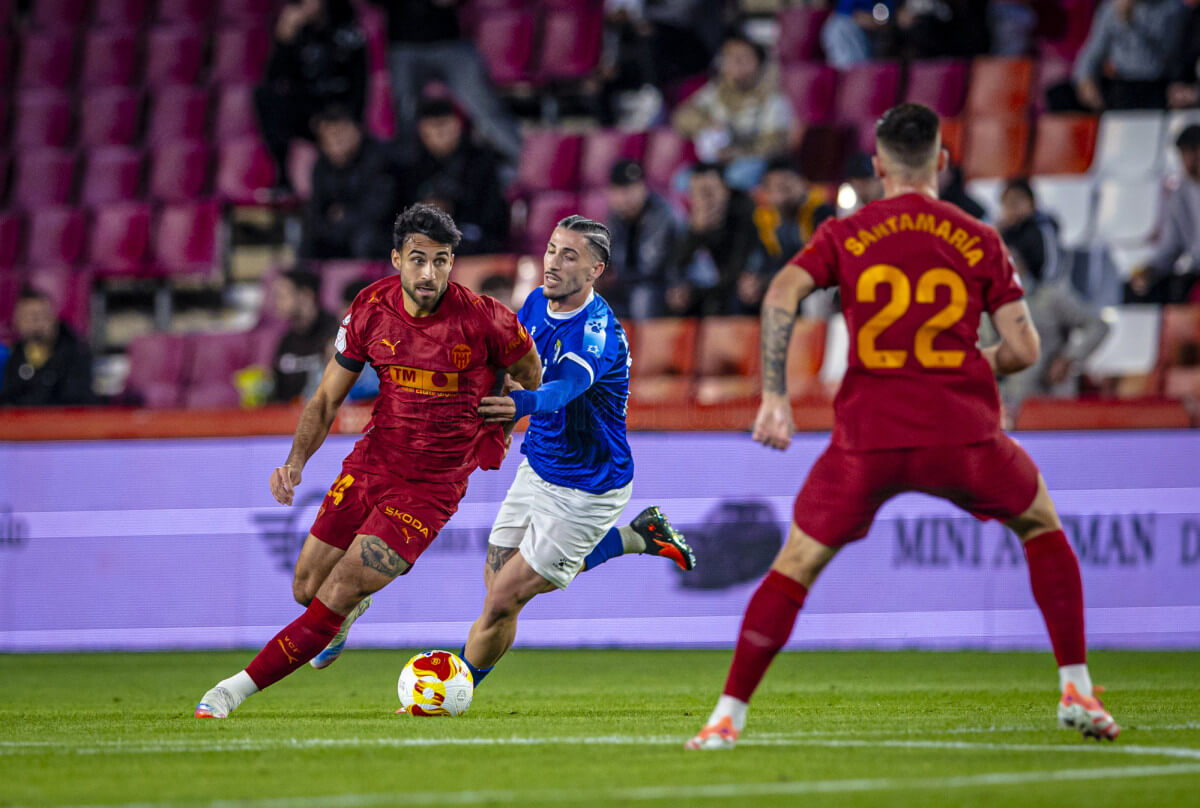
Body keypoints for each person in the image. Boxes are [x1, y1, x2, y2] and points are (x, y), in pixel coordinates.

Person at [685, 103, 1119, 750]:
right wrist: (969, 363)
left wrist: (775, 395)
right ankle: (1077, 687)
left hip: (868, 441)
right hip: (963, 436)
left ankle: (726, 717)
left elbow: (780, 293)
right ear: (940, 160)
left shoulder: (846, 232)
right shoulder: (979, 237)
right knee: (1040, 525)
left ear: (879, 165)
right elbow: (1026, 350)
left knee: (795, 564)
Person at [194, 205, 541, 718]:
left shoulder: (487, 319)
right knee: (307, 588)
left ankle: (230, 691)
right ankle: (346, 613)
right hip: (372, 463)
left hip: (430, 488)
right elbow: (326, 398)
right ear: (397, 258)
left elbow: (531, 374)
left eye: (441, 260)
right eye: (418, 259)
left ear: (452, 263)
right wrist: (295, 462)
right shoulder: (370, 309)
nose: (430, 273)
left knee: (335, 589)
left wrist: (506, 415)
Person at [455, 215, 696, 690]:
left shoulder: (596, 333)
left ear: (594, 271)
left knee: (503, 599)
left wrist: (520, 406)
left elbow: (561, 389)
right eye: (551, 250)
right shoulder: (534, 303)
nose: (553, 263)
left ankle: (451, 691)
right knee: (498, 585)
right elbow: (520, 368)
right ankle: (638, 536)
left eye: (569, 256)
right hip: (539, 463)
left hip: (588, 486)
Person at [371, 0, 521, 162]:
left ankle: (526, 163)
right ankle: (401, 170)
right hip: (403, 45)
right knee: (404, 113)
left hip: (451, 42)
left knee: (486, 109)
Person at [254, 0, 367, 192]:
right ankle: (283, 178)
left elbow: (359, 84)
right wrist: (283, 41)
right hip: (308, 110)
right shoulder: (298, 32)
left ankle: (349, 184)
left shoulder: (348, 30)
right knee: (265, 97)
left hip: (341, 108)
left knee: (342, 131)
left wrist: (351, 120)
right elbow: (275, 78)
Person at [671, 32, 795, 189]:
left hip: (751, 162)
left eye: (743, 58)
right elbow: (681, 118)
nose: (736, 63)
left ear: (759, 62)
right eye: (730, 57)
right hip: (718, 161)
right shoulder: (716, 91)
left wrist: (736, 152)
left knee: (738, 177)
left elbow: (774, 146)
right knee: (681, 181)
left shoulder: (772, 98)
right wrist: (706, 123)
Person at [399, 98, 509, 256]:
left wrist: (452, 210)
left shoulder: (481, 162)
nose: (437, 137)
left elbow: (493, 219)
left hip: (471, 241)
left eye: (442, 128)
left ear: (457, 126)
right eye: (429, 131)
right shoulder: (411, 165)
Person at [1051, 0, 1187, 111]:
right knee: (1059, 95)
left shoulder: (1171, 9)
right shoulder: (1111, 9)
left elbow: (1164, 58)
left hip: (1156, 85)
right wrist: (1085, 78)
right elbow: (1092, 51)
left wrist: (1131, 23)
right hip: (1122, 85)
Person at [304, 107, 398, 260]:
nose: (335, 141)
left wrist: (344, 216)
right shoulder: (321, 165)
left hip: (377, 231)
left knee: (366, 239)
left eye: (340, 133)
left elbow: (379, 210)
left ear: (356, 131)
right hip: (338, 229)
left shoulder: (379, 158)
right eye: (328, 136)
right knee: (310, 240)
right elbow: (316, 209)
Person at [667, 163, 761, 316]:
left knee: (737, 294)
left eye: (710, 192)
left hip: (751, 284)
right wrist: (696, 233)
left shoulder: (747, 212)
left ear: (726, 190)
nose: (705, 200)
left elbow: (738, 267)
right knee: (676, 297)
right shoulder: (692, 219)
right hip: (717, 285)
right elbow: (675, 267)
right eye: (697, 193)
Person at [1129, 124, 1200, 302]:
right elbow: (1171, 245)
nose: (1190, 161)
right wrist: (1151, 269)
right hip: (1195, 272)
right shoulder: (1181, 193)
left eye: (1194, 152)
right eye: (1185, 154)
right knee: (1143, 291)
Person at [603, 159, 681, 319]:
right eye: (622, 191)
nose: (628, 198)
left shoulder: (662, 214)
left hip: (665, 284)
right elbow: (612, 257)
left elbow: (651, 266)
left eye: (633, 189)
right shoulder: (616, 217)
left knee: (642, 298)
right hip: (630, 283)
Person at [0, 287, 93, 407]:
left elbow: (75, 400)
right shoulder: (16, 353)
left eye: (39, 316)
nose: (34, 324)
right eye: (26, 317)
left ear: (52, 317)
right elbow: (8, 398)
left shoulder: (76, 351)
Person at [752, 155, 836, 277]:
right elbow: (766, 265)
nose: (782, 195)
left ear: (802, 182)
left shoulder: (822, 212)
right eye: (776, 188)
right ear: (767, 192)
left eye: (786, 186)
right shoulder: (763, 221)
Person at [269, 269, 340, 404]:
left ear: (306, 295)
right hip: (289, 415)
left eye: (282, 296)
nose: (276, 302)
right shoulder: (286, 341)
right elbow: (279, 395)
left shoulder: (335, 333)